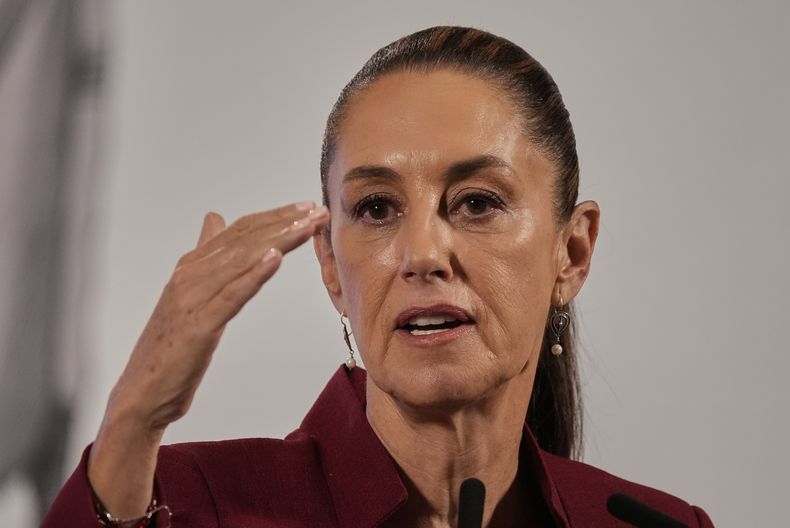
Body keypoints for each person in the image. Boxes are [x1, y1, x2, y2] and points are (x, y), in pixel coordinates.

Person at [43, 26, 714, 527]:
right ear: (331, 267)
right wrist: (134, 416)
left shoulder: (657, 524)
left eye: (477, 202)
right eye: (376, 208)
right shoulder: (192, 506)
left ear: (572, 252)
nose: (421, 252)